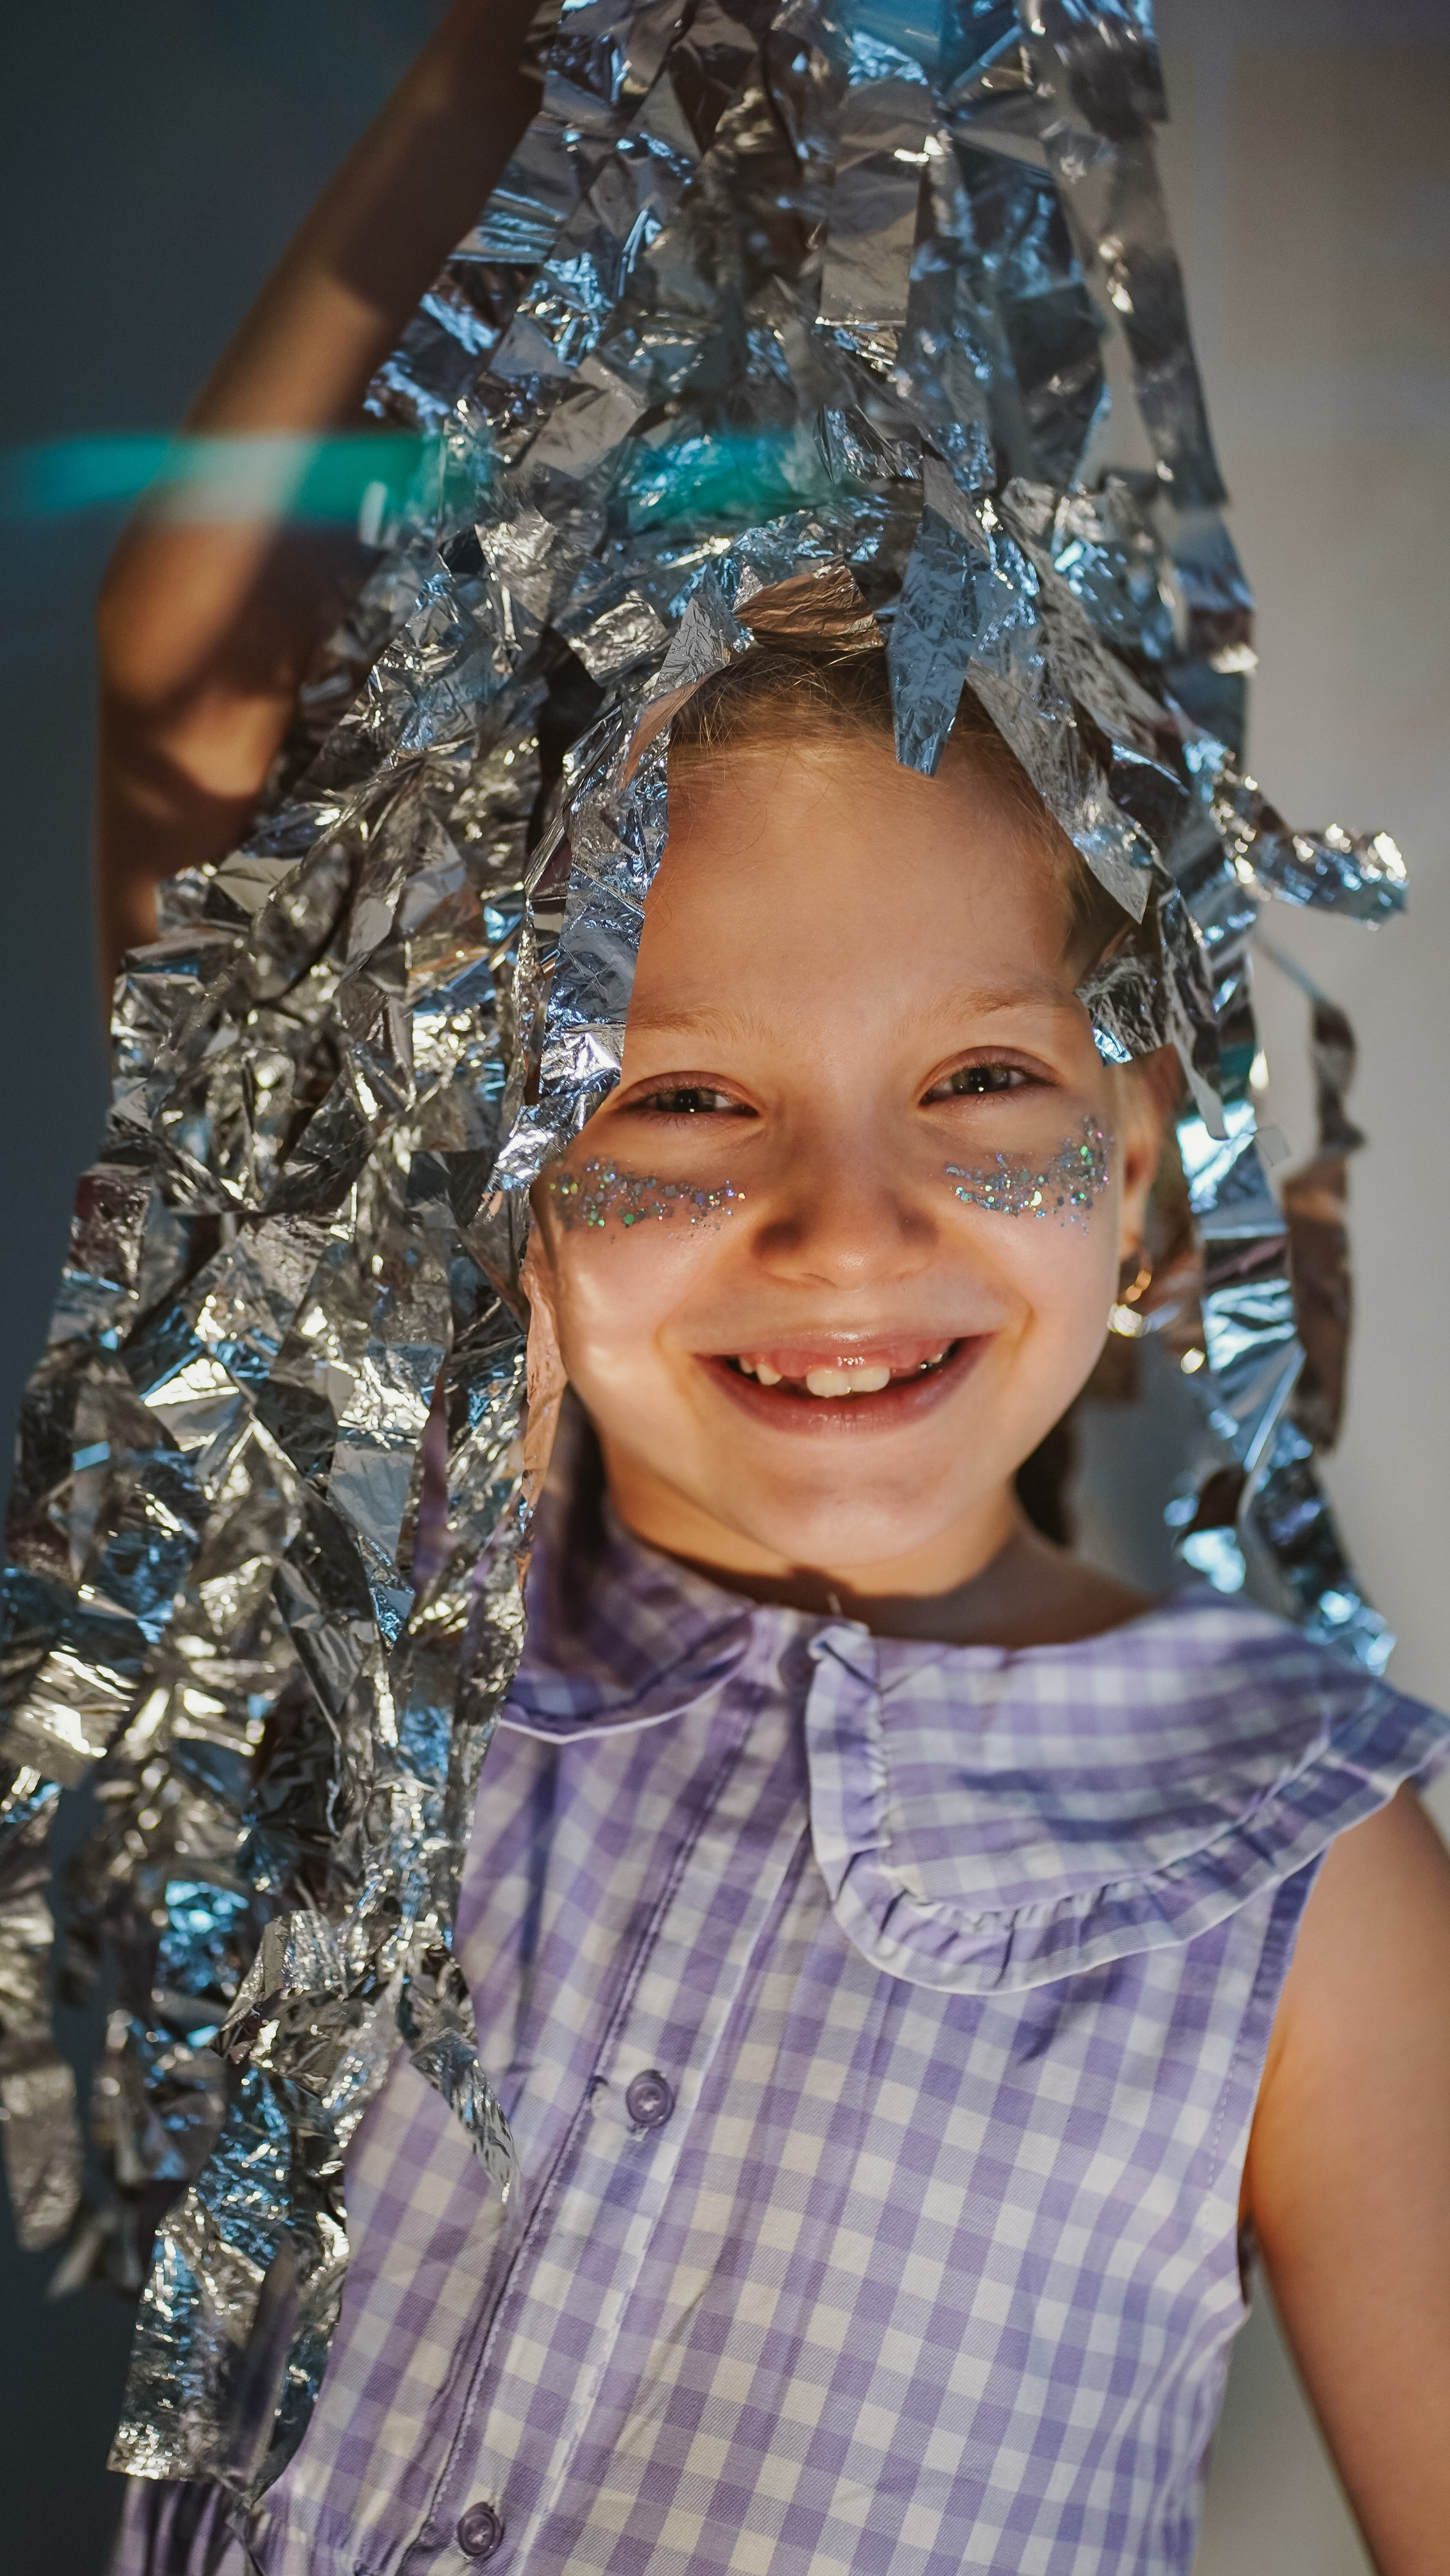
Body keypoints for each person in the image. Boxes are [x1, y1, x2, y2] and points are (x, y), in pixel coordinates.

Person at [76, 8, 1450, 2576]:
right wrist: (502, 66)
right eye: (681, 1100)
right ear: (489, 1176)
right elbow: (191, 697)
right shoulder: (400, 1603)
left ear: (1150, 1184)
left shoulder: (1292, 1863)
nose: (844, 1223)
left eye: (976, 1090)